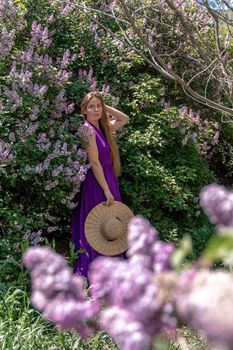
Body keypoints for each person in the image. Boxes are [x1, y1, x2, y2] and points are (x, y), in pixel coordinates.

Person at [71, 91, 130, 278]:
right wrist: (106, 189)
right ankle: (97, 271)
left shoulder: (102, 128)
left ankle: (112, 269)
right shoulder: (87, 129)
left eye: (99, 106)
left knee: (111, 224)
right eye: (92, 107)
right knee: (97, 226)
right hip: (97, 182)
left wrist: (105, 106)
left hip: (108, 178)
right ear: (84, 110)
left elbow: (125, 119)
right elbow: (94, 163)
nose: (96, 110)